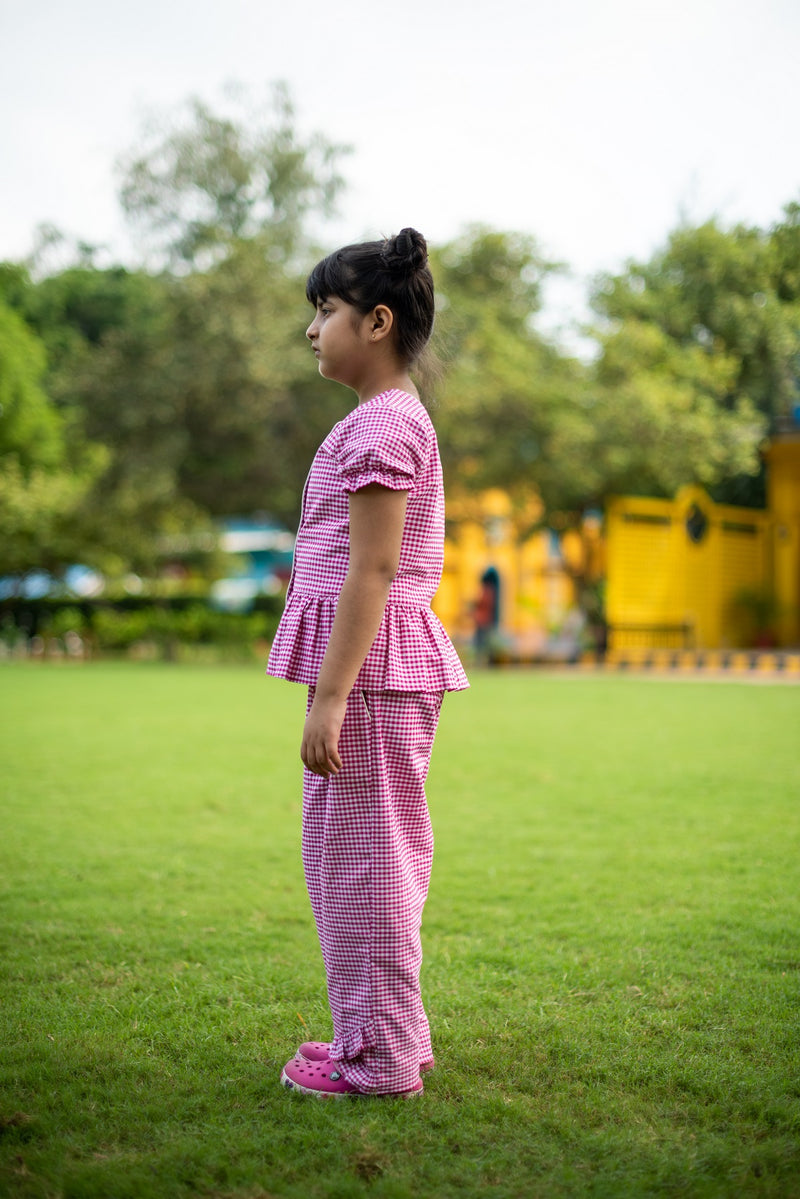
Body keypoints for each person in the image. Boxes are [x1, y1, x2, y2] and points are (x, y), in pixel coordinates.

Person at [267, 227, 469, 1098]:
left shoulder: (383, 425)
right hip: (375, 672)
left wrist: (331, 698)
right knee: (363, 855)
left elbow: (374, 570)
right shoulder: (378, 420)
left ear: (378, 320)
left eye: (326, 309)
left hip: (373, 676)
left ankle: (378, 1059)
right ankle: (384, 1033)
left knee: (366, 862)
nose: (313, 329)